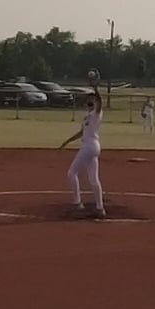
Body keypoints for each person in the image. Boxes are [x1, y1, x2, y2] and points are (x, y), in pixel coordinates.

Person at [58, 86, 106, 218]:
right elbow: (81, 133)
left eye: (93, 100)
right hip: (91, 147)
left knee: (71, 173)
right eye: (89, 99)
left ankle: (77, 203)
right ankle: (100, 208)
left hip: (90, 146)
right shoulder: (87, 117)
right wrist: (67, 142)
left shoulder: (96, 114)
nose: (91, 101)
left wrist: (96, 89)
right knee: (93, 178)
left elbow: (100, 103)